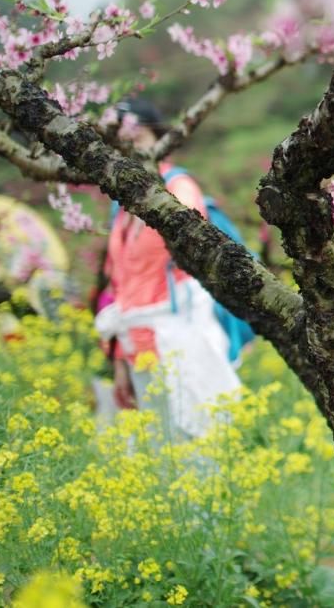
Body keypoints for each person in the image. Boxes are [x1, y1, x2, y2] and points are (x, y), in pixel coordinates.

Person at [93, 98, 241, 440]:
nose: (130, 148)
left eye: (137, 138)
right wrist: (118, 361)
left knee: (195, 448)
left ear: (157, 138)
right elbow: (119, 286)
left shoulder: (179, 190)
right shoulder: (121, 206)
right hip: (137, 350)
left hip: (180, 342)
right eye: (119, 141)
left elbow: (196, 261)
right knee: (160, 457)